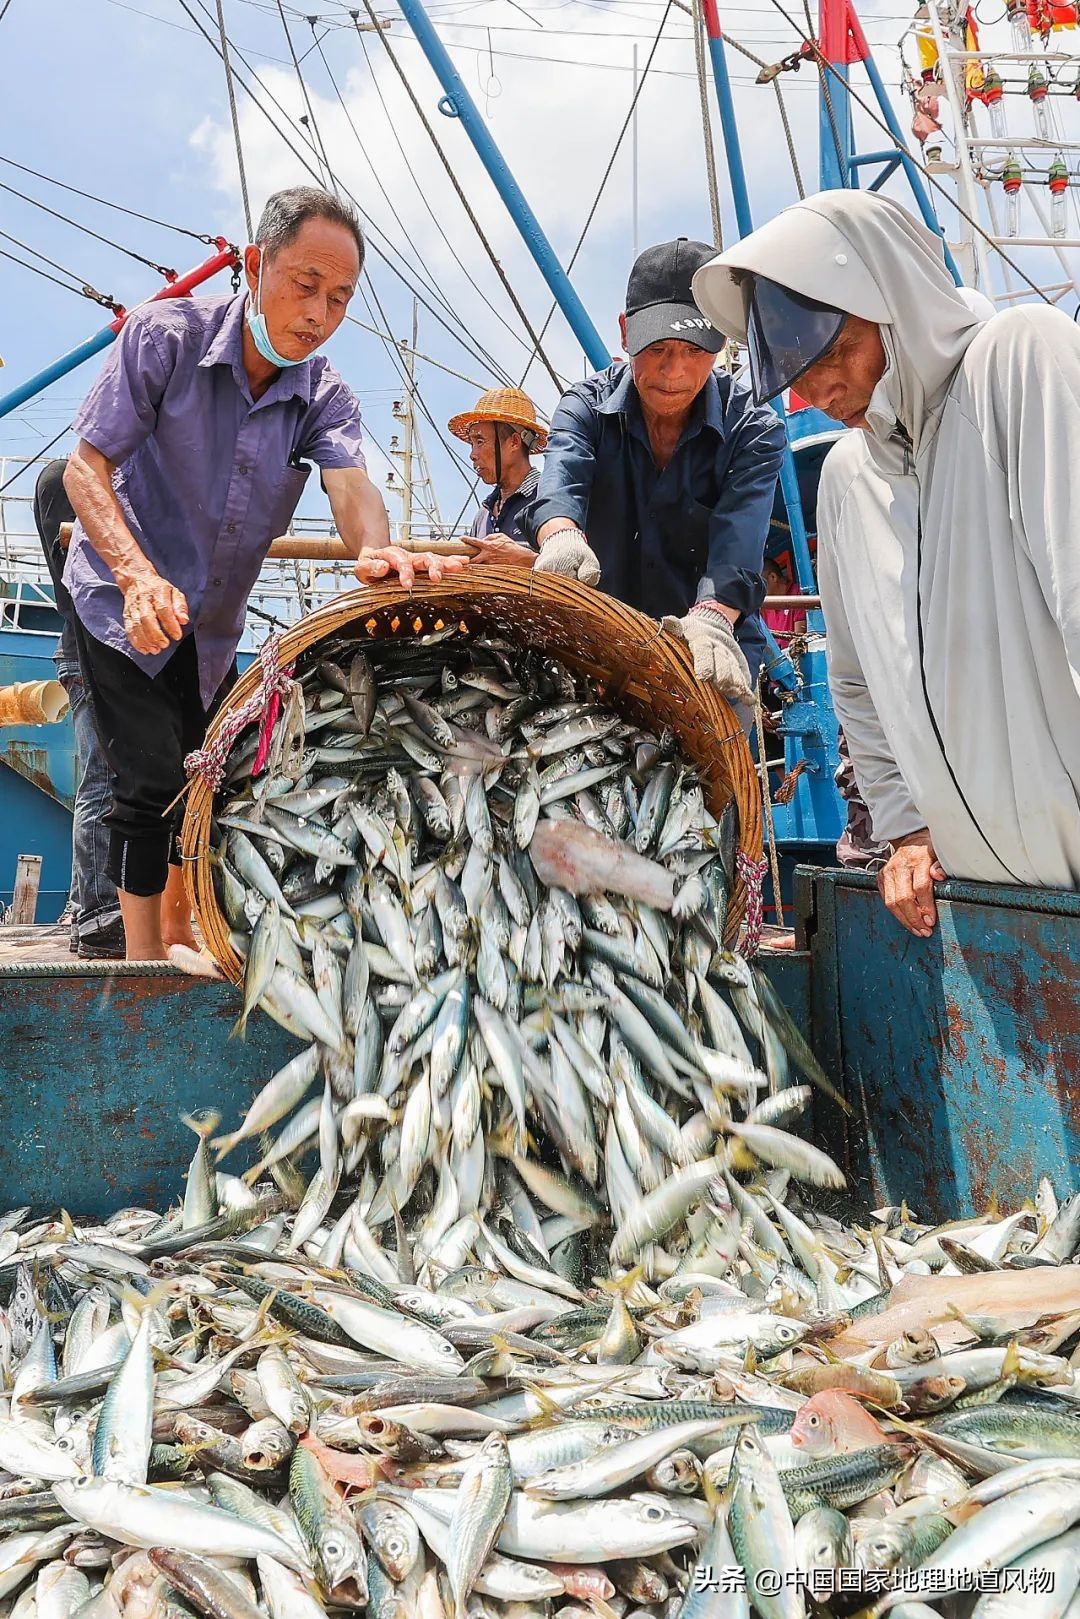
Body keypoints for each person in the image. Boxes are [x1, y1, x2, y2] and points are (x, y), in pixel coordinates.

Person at [692, 187, 1080, 937]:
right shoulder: (846, 480)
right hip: (982, 912)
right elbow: (855, 683)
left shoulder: (1020, 361)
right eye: (797, 373)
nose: (819, 388)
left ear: (899, 303)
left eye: (837, 351)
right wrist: (907, 829)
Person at [63, 185, 391, 961]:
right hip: (121, 595)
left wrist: (377, 551)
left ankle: (183, 932)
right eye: (305, 285)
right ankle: (145, 966)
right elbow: (83, 468)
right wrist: (137, 576)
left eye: (340, 299)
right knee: (146, 782)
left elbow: (352, 487)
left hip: (210, 622)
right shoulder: (165, 337)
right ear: (255, 263)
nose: (318, 314)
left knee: (203, 778)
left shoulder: (324, 394)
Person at [525, 238, 786, 710]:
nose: (673, 371)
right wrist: (560, 535)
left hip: (708, 651)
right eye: (658, 347)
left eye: (694, 349)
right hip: (600, 644)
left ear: (721, 343)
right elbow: (562, 476)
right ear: (626, 333)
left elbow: (740, 543)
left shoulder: (753, 428)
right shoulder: (584, 407)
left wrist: (712, 618)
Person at [33, 459, 125, 958]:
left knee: (107, 782)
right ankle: (97, 916)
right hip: (91, 651)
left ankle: (87, 905)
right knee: (102, 782)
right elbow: (78, 588)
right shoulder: (64, 479)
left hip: (96, 650)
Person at [447, 387, 545, 567]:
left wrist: (528, 560)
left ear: (514, 442)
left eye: (480, 441)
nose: (472, 455)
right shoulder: (483, 514)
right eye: (472, 444)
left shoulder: (549, 501)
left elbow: (579, 568)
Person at [761, 556, 806, 641]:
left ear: (773, 577)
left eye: (759, 582)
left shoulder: (798, 594)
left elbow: (799, 637)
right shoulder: (765, 605)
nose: (756, 589)